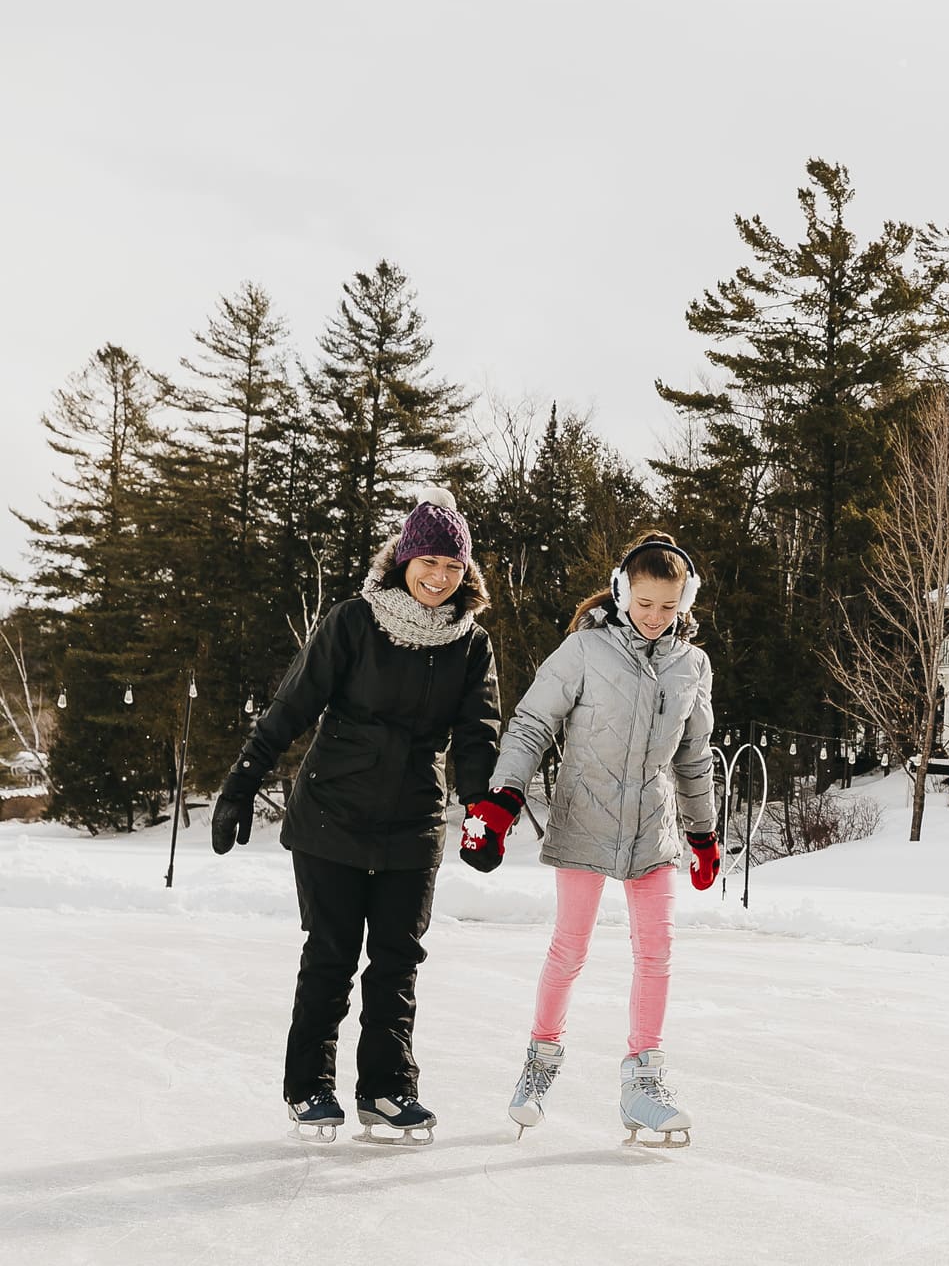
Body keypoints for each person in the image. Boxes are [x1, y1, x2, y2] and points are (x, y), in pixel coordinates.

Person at [210, 488, 500, 1145]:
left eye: (452, 566)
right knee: (332, 954)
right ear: (403, 558)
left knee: (397, 959)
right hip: (330, 815)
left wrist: (483, 813)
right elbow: (292, 705)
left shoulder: (471, 644)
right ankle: (309, 1083)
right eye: (427, 560)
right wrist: (241, 781)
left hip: (413, 820)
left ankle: (386, 1087)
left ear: (465, 571)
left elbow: (479, 733)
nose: (438, 576)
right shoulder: (352, 621)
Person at [459, 530, 717, 1146]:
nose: (656, 618)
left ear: (686, 603)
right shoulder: (583, 650)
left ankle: (644, 1081)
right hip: (585, 818)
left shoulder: (693, 665)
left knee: (656, 953)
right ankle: (541, 1060)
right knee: (569, 950)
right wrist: (501, 800)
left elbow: (694, 757)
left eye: (669, 607)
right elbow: (529, 725)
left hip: (654, 830)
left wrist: (703, 832)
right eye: (645, 603)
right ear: (623, 591)